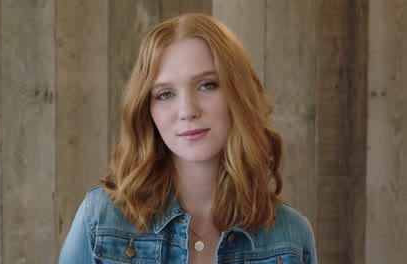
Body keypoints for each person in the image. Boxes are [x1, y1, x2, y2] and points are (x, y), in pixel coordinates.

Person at [59, 13, 317, 264]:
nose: (187, 111)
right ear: (146, 110)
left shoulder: (291, 238)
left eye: (207, 85)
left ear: (238, 94)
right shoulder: (101, 219)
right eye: (165, 94)